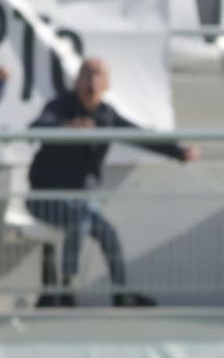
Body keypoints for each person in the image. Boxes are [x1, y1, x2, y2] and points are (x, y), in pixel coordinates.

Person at [26, 58, 198, 308]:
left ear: (107, 84)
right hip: (43, 199)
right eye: (87, 75)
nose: (92, 82)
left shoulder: (106, 116)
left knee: (109, 233)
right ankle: (66, 287)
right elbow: (36, 128)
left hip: (80, 202)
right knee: (81, 218)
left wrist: (178, 152)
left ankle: (121, 293)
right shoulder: (60, 106)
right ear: (76, 81)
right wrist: (68, 128)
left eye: (98, 76)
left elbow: (139, 136)